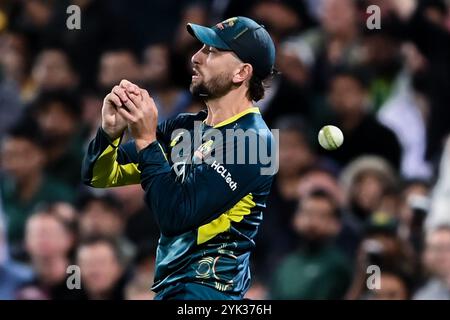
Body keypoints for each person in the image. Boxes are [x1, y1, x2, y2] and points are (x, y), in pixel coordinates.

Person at [82, 16, 277, 300]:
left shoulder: (254, 143)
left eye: (211, 51)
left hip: (208, 293)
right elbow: (98, 176)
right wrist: (110, 133)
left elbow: (175, 215)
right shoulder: (184, 127)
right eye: (200, 48)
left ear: (242, 73)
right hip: (172, 289)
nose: (196, 58)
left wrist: (147, 140)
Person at [269, 190, 352, 300]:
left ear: (335, 224)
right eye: (307, 213)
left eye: (321, 216)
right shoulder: (286, 264)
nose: (312, 222)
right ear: (295, 219)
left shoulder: (338, 265)